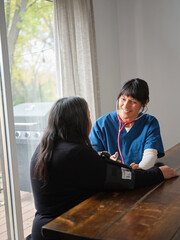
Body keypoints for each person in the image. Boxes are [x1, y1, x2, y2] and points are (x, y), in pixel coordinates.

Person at [29, 96, 178, 240]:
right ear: (79, 123)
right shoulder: (75, 153)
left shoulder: (45, 148)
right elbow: (124, 178)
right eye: (88, 116)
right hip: (65, 230)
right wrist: (158, 173)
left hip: (45, 228)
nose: (90, 121)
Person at [89, 78, 164, 170]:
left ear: (145, 102)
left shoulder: (150, 123)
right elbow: (93, 157)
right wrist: (108, 160)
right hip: (111, 176)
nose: (125, 106)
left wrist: (139, 168)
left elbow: (151, 155)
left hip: (140, 174)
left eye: (133, 102)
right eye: (123, 99)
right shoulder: (101, 124)